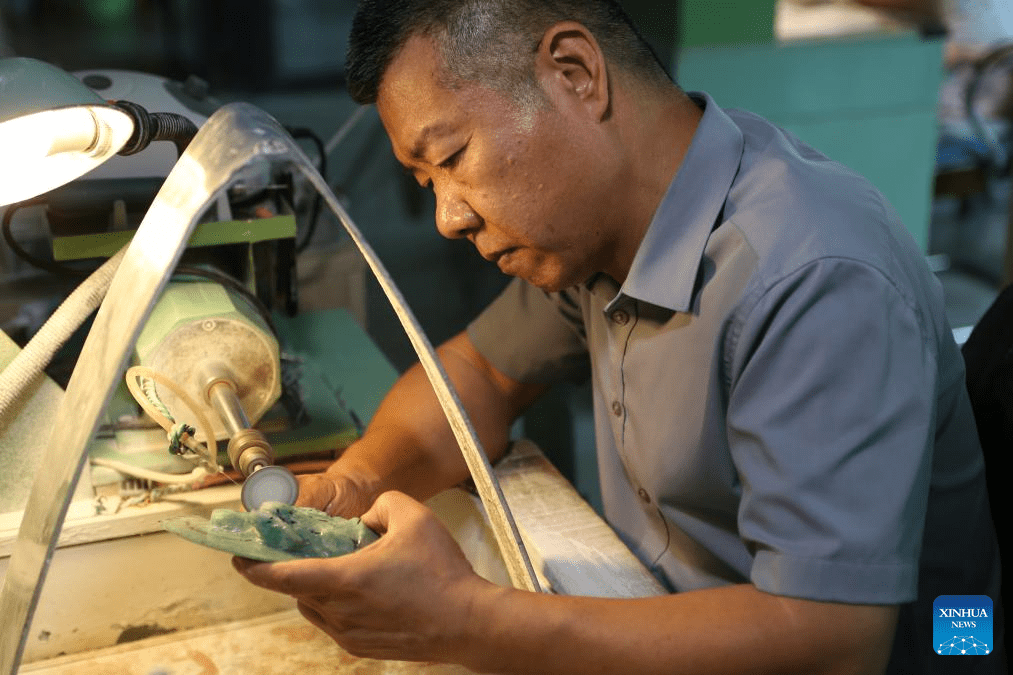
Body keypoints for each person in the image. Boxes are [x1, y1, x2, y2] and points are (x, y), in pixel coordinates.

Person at [233, 1, 1004, 673]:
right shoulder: (599, 237)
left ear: (574, 73)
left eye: (452, 158)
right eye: (427, 183)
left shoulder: (813, 278)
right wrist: (352, 484)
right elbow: (479, 374)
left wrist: (464, 618)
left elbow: (831, 641)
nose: (449, 216)